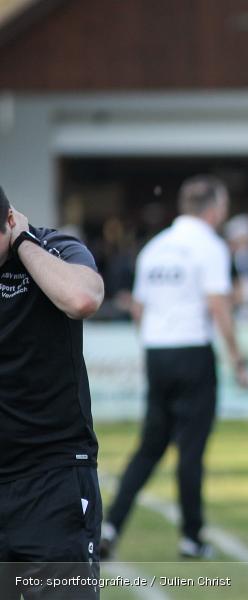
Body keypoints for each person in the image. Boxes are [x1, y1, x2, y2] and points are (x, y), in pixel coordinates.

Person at [100, 175, 248, 559]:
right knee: (191, 450)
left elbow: (138, 307)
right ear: (214, 209)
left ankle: (111, 525)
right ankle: (191, 536)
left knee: (150, 446)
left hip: (158, 351)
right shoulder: (210, 246)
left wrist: (150, 342)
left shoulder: (156, 247)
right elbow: (219, 305)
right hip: (192, 350)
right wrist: (236, 357)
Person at [0, 186, 105, 599]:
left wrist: (24, 243)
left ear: (10, 221)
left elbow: (82, 298)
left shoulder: (52, 247)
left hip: (52, 476)